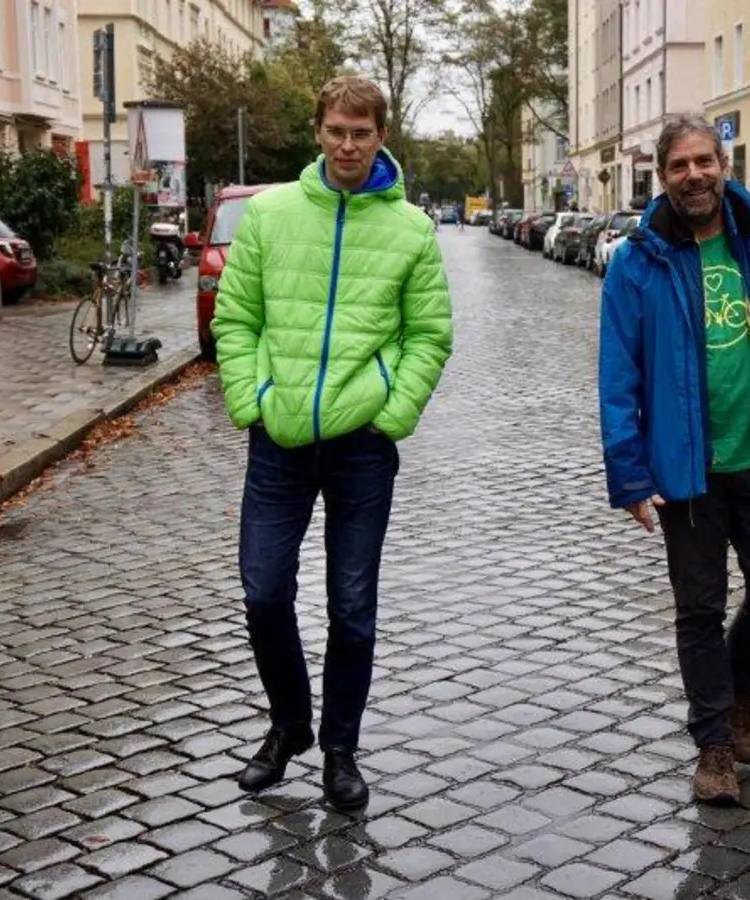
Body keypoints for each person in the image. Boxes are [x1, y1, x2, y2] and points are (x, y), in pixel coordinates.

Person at [210, 75, 454, 813]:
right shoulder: (271, 213)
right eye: (336, 130)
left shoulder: (411, 228)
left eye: (362, 131)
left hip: (361, 446)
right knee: (262, 592)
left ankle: (340, 749)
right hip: (278, 441)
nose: (348, 144)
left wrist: (393, 411)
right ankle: (289, 726)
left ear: (381, 135)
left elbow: (430, 335)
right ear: (318, 131)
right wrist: (251, 400)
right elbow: (236, 318)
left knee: (352, 606)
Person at [597, 115, 750, 806]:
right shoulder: (637, 260)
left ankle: (740, 685)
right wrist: (628, 472)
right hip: (687, 470)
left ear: (725, 164)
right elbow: (617, 373)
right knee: (698, 608)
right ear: (663, 175)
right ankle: (714, 745)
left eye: (704, 161)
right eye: (679, 166)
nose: (694, 176)